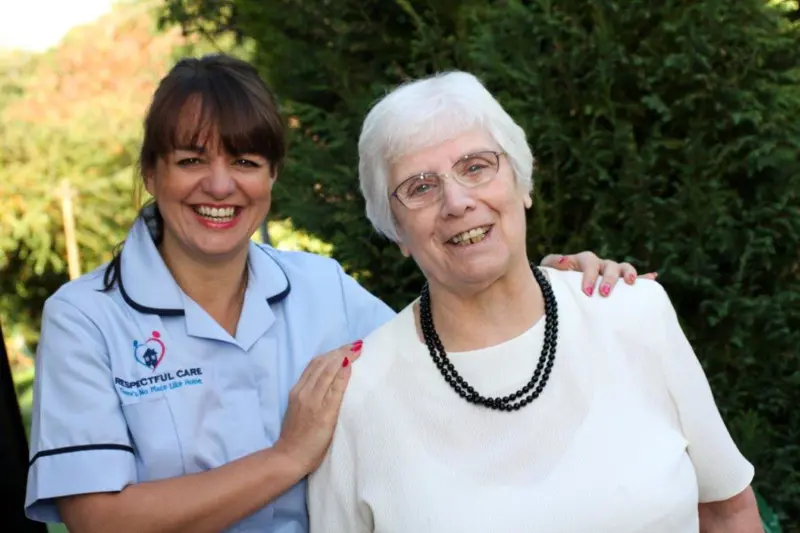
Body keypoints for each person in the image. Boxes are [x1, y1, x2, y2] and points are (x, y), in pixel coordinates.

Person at [23, 54, 650, 533]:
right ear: (151, 172)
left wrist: (546, 283)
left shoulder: (321, 288)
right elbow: (98, 518)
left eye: (245, 162)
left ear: (272, 176)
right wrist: (286, 458)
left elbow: (450, 349)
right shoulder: (85, 319)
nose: (219, 185)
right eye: (191, 160)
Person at [307, 71, 763, 532]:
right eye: (421, 187)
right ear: (396, 231)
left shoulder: (635, 315)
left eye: (475, 167)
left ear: (522, 183)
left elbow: (728, 513)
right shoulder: (357, 400)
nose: (457, 202)